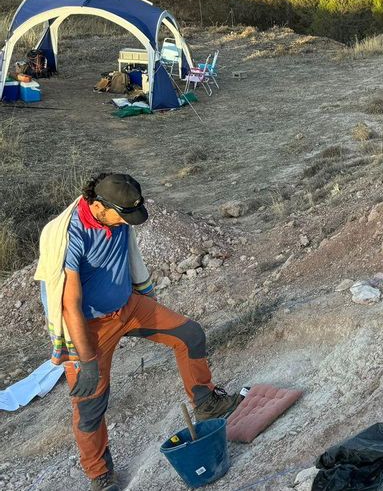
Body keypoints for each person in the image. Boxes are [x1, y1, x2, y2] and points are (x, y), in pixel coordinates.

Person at [33, 173, 241, 491]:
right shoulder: (68, 235)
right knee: (90, 405)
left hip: (129, 307)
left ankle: (205, 402)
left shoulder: (118, 219)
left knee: (190, 335)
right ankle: (100, 474)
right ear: (99, 206)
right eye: (122, 215)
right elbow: (69, 303)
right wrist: (85, 359)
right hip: (91, 327)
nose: (126, 223)